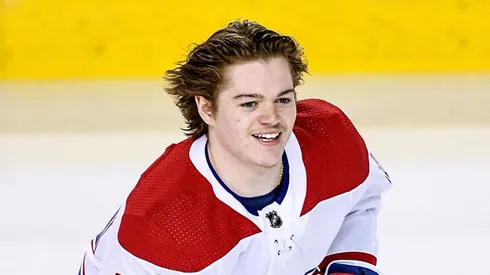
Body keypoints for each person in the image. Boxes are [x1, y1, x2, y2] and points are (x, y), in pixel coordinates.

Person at [78, 19, 391, 275]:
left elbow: (359, 202)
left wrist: (348, 267)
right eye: (249, 103)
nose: (272, 118)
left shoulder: (330, 138)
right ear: (207, 109)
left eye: (283, 99)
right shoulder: (165, 224)